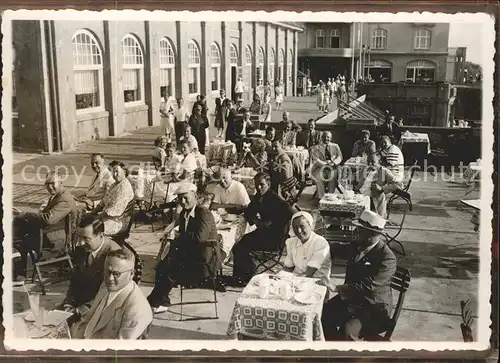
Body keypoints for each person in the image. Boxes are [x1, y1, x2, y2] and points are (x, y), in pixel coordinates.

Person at [321, 210, 397, 341]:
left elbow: (369, 286)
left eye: (361, 230)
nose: (356, 231)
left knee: (348, 329)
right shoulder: (358, 244)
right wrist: (315, 241)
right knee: (322, 313)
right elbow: (337, 248)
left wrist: (337, 288)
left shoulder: (387, 258)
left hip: (373, 308)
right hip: (352, 300)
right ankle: (333, 349)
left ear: (374, 234)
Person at [147, 183, 222, 313]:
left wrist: (178, 236)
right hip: (192, 256)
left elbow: (200, 238)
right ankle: (161, 301)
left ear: (195, 196)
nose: (182, 201)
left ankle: (153, 302)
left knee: (171, 269)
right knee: (162, 265)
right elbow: (184, 240)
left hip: (205, 261)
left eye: (186, 197)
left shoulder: (203, 213)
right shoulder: (184, 214)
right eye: (180, 198)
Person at [70, 248, 153, 339]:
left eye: (116, 274)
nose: (110, 278)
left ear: (131, 274)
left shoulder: (136, 310)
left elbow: (118, 350)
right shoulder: (106, 285)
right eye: (107, 272)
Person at [13, 171, 77, 285]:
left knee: (19, 243)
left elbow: (48, 219)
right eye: (47, 184)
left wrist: (26, 214)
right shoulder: (59, 196)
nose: (50, 187)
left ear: (61, 183)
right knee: (19, 227)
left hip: (56, 241)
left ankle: (20, 275)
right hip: (53, 235)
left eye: (53, 183)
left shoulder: (64, 200)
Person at [231, 172, 294, 285]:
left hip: (275, 238)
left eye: (262, 185)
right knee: (240, 243)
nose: (259, 188)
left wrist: (272, 223)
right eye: (256, 185)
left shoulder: (275, 199)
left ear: (268, 184)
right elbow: (249, 212)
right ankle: (245, 274)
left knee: (241, 246)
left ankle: (243, 277)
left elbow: (291, 213)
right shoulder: (259, 197)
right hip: (263, 234)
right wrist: (256, 221)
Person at [59, 214, 121, 316]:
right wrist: (68, 303)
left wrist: (78, 312)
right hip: (78, 305)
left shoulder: (114, 255)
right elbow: (75, 280)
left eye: (86, 238)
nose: (80, 243)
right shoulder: (83, 249)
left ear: (101, 235)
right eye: (79, 237)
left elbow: (108, 294)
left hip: (101, 310)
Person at [282, 211, 332, 289]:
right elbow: (288, 267)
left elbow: (309, 273)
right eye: (295, 227)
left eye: (302, 226)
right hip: (297, 280)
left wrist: (291, 283)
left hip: (317, 283)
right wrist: (279, 278)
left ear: (310, 226)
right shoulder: (292, 243)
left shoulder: (320, 243)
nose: (298, 231)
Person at [91, 161, 134, 236]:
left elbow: (112, 211)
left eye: (117, 172)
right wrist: (93, 212)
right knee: (85, 219)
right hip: (109, 218)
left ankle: (91, 245)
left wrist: (97, 217)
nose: (114, 175)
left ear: (124, 171)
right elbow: (103, 201)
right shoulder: (114, 184)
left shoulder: (124, 188)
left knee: (88, 227)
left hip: (118, 223)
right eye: (113, 172)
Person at [356, 153, 403, 218]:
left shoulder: (384, 171)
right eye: (368, 161)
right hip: (359, 198)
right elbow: (358, 183)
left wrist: (382, 188)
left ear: (379, 162)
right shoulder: (365, 169)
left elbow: (399, 184)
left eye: (373, 162)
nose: (370, 164)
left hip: (372, 200)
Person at [309, 131, 343, 200]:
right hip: (321, 167)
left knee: (333, 176)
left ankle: (330, 196)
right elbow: (316, 160)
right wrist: (326, 164)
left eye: (328, 137)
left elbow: (340, 157)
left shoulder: (335, 146)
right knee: (318, 177)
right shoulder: (316, 148)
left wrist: (334, 163)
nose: (326, 138)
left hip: (333, 167)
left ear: (331, 138)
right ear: (321, 138)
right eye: (324, 137)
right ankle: (321, 197)